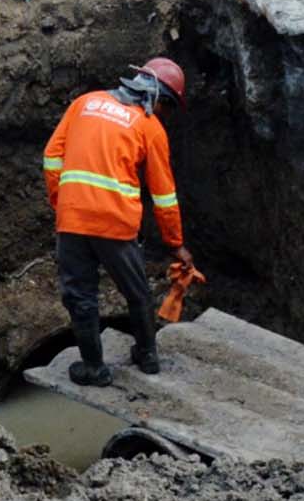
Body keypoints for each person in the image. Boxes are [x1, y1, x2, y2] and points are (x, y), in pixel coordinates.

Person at [41, 57, 194, 386]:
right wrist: (176, 244)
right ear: (158, 98)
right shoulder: (150, 127)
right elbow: (164, 196)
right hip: (116, 224)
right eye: (167, 108)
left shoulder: (85, 103)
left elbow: (52, 157)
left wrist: (62, 203)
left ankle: (94, 368)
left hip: (72, 219)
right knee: (136, 292)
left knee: (80, 297)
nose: (165, 115)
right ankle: (148, 356)